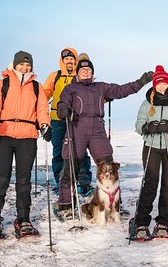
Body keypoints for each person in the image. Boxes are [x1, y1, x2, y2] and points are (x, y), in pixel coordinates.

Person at [56, 58, 153, 216]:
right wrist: (63, 109)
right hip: (76, 127)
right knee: (71, 168)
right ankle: (66, 206)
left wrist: (141, 82)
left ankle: (114, 205)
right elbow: (62, 103)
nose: (86, 72)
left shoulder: (101, 87)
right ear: (77, 72)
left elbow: (122, 90)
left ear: (93, 73)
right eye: (83, 70)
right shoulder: (70, 88)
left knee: (109, 166)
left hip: (97, 129)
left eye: (89, 70)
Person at [0, 51, 51, 240]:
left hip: (27, 137)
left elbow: (42, 110)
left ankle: (23, 219)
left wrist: (45, 126)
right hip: (3, 134)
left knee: (24, 180)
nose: (25, 68)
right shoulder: (1, 84)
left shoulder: (37, 87)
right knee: (1, 179)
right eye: (22, 65)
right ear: (15, 65)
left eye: (28, 66)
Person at [130, 65, 168, 241]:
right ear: (154, 85)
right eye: (158, 84)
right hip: (151, 147)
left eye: (164, 84)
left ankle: (164, 221)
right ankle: (141, 222)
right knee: (149, 183)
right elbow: (138, 124)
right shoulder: (147, 103)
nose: (161, 87)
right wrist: (147, 127)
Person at [43, 47, 93, 196]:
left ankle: (84, 183)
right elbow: (45, 94)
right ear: (62, 61)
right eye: (67, 59)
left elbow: (91, 94)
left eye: (72, 59)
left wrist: (104, 99)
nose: (69, 61)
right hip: (57, 120)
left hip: (76, 120)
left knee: (80, 152)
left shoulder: (79, 76)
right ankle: (61, 184)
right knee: (58, 151)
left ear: (75, 61)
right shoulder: (55, 76)